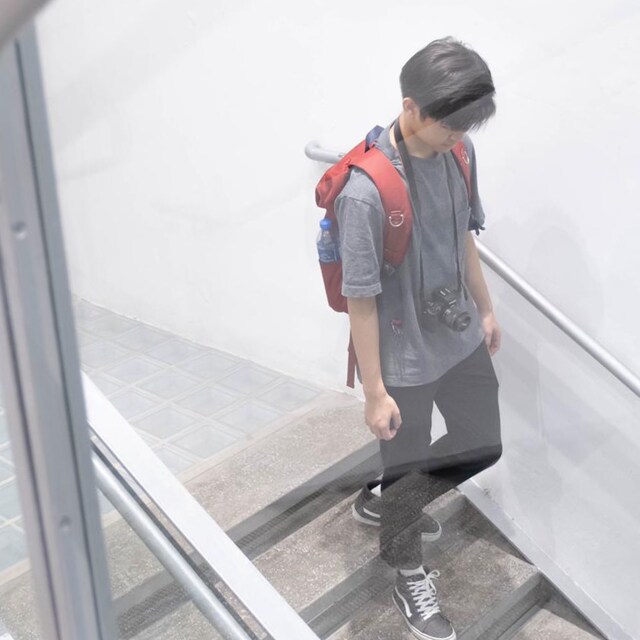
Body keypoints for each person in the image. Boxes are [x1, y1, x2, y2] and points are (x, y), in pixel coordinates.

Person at [335, 38, 503, 640]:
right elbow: (360, 300)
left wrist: (485, 308)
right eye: (448, 127)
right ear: (411, 107)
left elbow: (463, 238)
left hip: (457, 334)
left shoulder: (460, 154)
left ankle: (391, 501)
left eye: (464, 129)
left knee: (482, 445)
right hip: (403, 357)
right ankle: (406, 567)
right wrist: (374, 392)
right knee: (406, 468)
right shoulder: (365, 191)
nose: (457, 138)